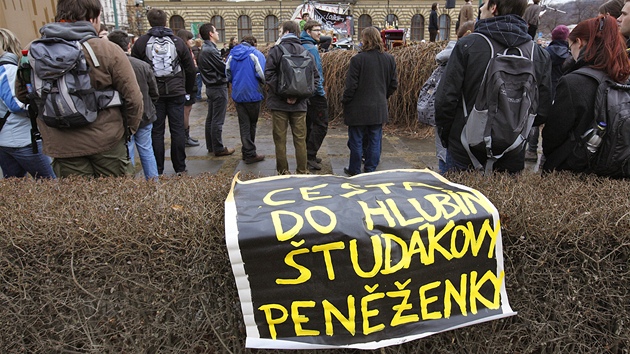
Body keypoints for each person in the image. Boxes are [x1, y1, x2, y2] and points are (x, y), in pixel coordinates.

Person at [18, 0, 143, 178]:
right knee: (118, 199)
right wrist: (129, 129)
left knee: (78, 201)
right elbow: (133, 98)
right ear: (92, 18)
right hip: (106, 138)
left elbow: (23, 94)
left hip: (60, 142)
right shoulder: (106, 49)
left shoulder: (32, 51)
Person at [435, 0, 552, 174]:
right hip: (512, 152)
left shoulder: (468, 45)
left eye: (484, 4)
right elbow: (542, 111)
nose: (481, 8)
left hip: (465, 150)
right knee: (500, 202)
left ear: (494, 7)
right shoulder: (539, 54)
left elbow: (445, 101)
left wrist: (450, 139)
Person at [542, 15, 630, 173]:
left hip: (570, 168)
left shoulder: (573, 82)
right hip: (610, 170)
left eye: (571, 47)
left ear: (580, 42)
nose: (571, 53)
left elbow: (552, 136)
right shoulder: (621, 78)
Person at [131, 8, 196, 176]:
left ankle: (158, 168)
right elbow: (190, 69)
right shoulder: (177, 42)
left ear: (149, 22)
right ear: (166, 22)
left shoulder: (141, 42)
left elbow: (135, 69)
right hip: (176, 92)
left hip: (154, 95)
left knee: (156, 131)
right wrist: (187, 90)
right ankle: (180, 167)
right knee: (178, 129)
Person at [264, 21, 319, 175]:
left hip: (278, 104)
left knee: (280, 140)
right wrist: (300, 96)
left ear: (287, 31)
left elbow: (268, 75)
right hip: (300, 105)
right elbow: (315, 78)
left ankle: (283, 172)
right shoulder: (306, 51)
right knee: (300, 139)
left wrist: (284, 94)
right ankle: (302, 171)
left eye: (281, 30)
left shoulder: (276, 50)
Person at [342, 26, 398, 176]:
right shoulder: (389, 59)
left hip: (357, 108)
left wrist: (345, 101)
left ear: (365, 40)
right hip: (378, 107)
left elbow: (351, 86)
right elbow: (393, 85)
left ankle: (354, 170)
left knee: (356, 140)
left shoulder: (358, 59)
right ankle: (370, 169)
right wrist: (382, 96)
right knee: (375, 139)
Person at [0, 28, 55, 179]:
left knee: (15, 188)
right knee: (51, 183)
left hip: (5, 139)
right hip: (21, 138)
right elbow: (16, 105)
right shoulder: (8, 69)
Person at [108, 30, 159, 180]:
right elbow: (154, 92)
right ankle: (154, 182)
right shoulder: (142, 65)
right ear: (128, 45)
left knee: (127, 151)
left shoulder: (110, 67)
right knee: (146, 150)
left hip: (122, 117)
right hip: (144, 113)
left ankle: (129, 185)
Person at [432, 21, 475, 174]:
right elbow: (445, 100)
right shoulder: (463, 57)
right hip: (459, 133)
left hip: (450, 133)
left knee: (445, 167)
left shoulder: (448, 56)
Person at [525, 24, 570, 162]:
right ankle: (546, 155)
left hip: (545, 90)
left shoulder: (544, 52)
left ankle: (531, 150)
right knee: (554, 125)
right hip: (561, 92)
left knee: (535, 122)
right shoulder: (570, 56)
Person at [226, 35, 266, 164]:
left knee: (243, 124)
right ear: (254, 43)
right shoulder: (256, 54)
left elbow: (227, 73)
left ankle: (247, 151)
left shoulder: (232, 54)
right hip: (253, 93)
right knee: (252, 124)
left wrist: (235, 83)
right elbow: (262, 74)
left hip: (238, 93)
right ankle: (249, 153)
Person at [198, 23, 234, 157]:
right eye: (216, 31)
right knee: (217, 120)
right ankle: (218, 148)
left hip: (211, 87)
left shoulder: (206, 48)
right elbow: (223, 69)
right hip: (217, 87)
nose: (218, 33)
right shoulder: (210, 50)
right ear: (210, 34)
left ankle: (211, 146)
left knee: (211, 118)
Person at [300, 20, 329, 170]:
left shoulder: (302, 44)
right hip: (315, 93)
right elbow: (317, 73)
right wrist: (321, 92)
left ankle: (307, 154)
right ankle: (310, 155)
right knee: (322, 125)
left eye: (320, 30)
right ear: (308, 31)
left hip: (304, 92)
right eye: (316, 30)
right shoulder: (311, 48)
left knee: (309, 125)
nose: (319, 33)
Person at [176, 29, 200, 147]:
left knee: (188, 111)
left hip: (191, 85)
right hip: (186, 86)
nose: (192, 41)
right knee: (185, 111)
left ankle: (187, 136)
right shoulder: (182, 51)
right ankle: (185, 137)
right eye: (189, 38)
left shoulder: (189, 51)